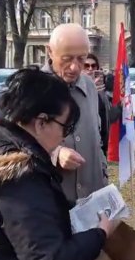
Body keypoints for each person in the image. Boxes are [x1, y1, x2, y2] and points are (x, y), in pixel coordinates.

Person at [0, 68, 116, 260]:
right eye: (64, 128)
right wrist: (100, 234)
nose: (63, 138)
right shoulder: (18, 177)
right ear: (41, 122)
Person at [42, 23, 107, 202]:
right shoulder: (31, 90)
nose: (75, 67)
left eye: (81, 59)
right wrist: (56, 153)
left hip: (92, 197)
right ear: (49, 51)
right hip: (51, 200)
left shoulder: (90, 88)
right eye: (67, 58)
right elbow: (14, 144)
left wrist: (103, 174)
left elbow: (97, 138)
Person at [83, 53, 121, 156]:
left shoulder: (102, 91)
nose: (90, 69)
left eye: (93, 66)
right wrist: (91, 91)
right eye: (86, 66)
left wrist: (119, 104)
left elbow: (109, 117)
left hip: (102, 143)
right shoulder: (76, 89)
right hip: (85, 143)